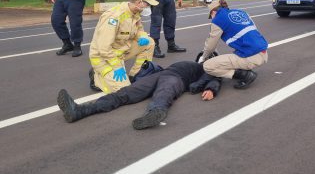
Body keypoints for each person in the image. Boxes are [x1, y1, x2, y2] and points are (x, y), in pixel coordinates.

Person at [57, 61, 222, 130]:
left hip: (176, 79)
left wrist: (211, 90)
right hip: (162, 74)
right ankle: (79, 111)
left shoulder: (210, 71)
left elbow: (214, 81)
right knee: (124, 93)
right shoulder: (195, 63)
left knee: (164, 93)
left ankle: (155, 113)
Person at [88, 0, 157, 94]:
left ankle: (135, 75)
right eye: (147, 4)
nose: (148, 7)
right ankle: (97, 76)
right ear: (139, 2)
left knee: (150, 42)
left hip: (121, 51)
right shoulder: (113, 17)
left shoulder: (135, 13)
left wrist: (142, 36)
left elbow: (139, 29)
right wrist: (117, 66)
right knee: (124, 91)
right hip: (104, 57)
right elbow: (103, 48)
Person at [200, 0, 268, 89]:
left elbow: (210, 46)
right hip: (263, 52)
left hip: (251, 57)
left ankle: (246, 75)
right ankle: (244, 68)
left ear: (213, 12)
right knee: (236, 51)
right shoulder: (241, 12)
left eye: (211, 16)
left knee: (208, 66)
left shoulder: (218, 20)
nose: (212, 19)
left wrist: (204, 57)